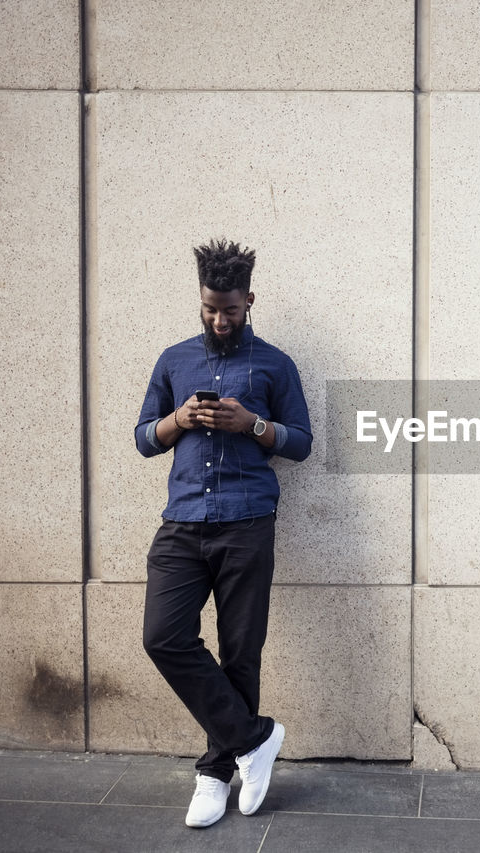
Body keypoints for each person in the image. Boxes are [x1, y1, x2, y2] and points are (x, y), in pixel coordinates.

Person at [134, 238, 312, 828]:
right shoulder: (173, 359)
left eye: (229, 309)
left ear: (249, 301)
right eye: (210, 307)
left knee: (241, 653)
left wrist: (253, 423)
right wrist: (177, 420)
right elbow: (141, 438)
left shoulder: (275, 364)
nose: (219, 318)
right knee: (163, 636)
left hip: (247, 523)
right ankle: (254, 738)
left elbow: (302, 442)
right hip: (182, 523)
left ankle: (215, 773)